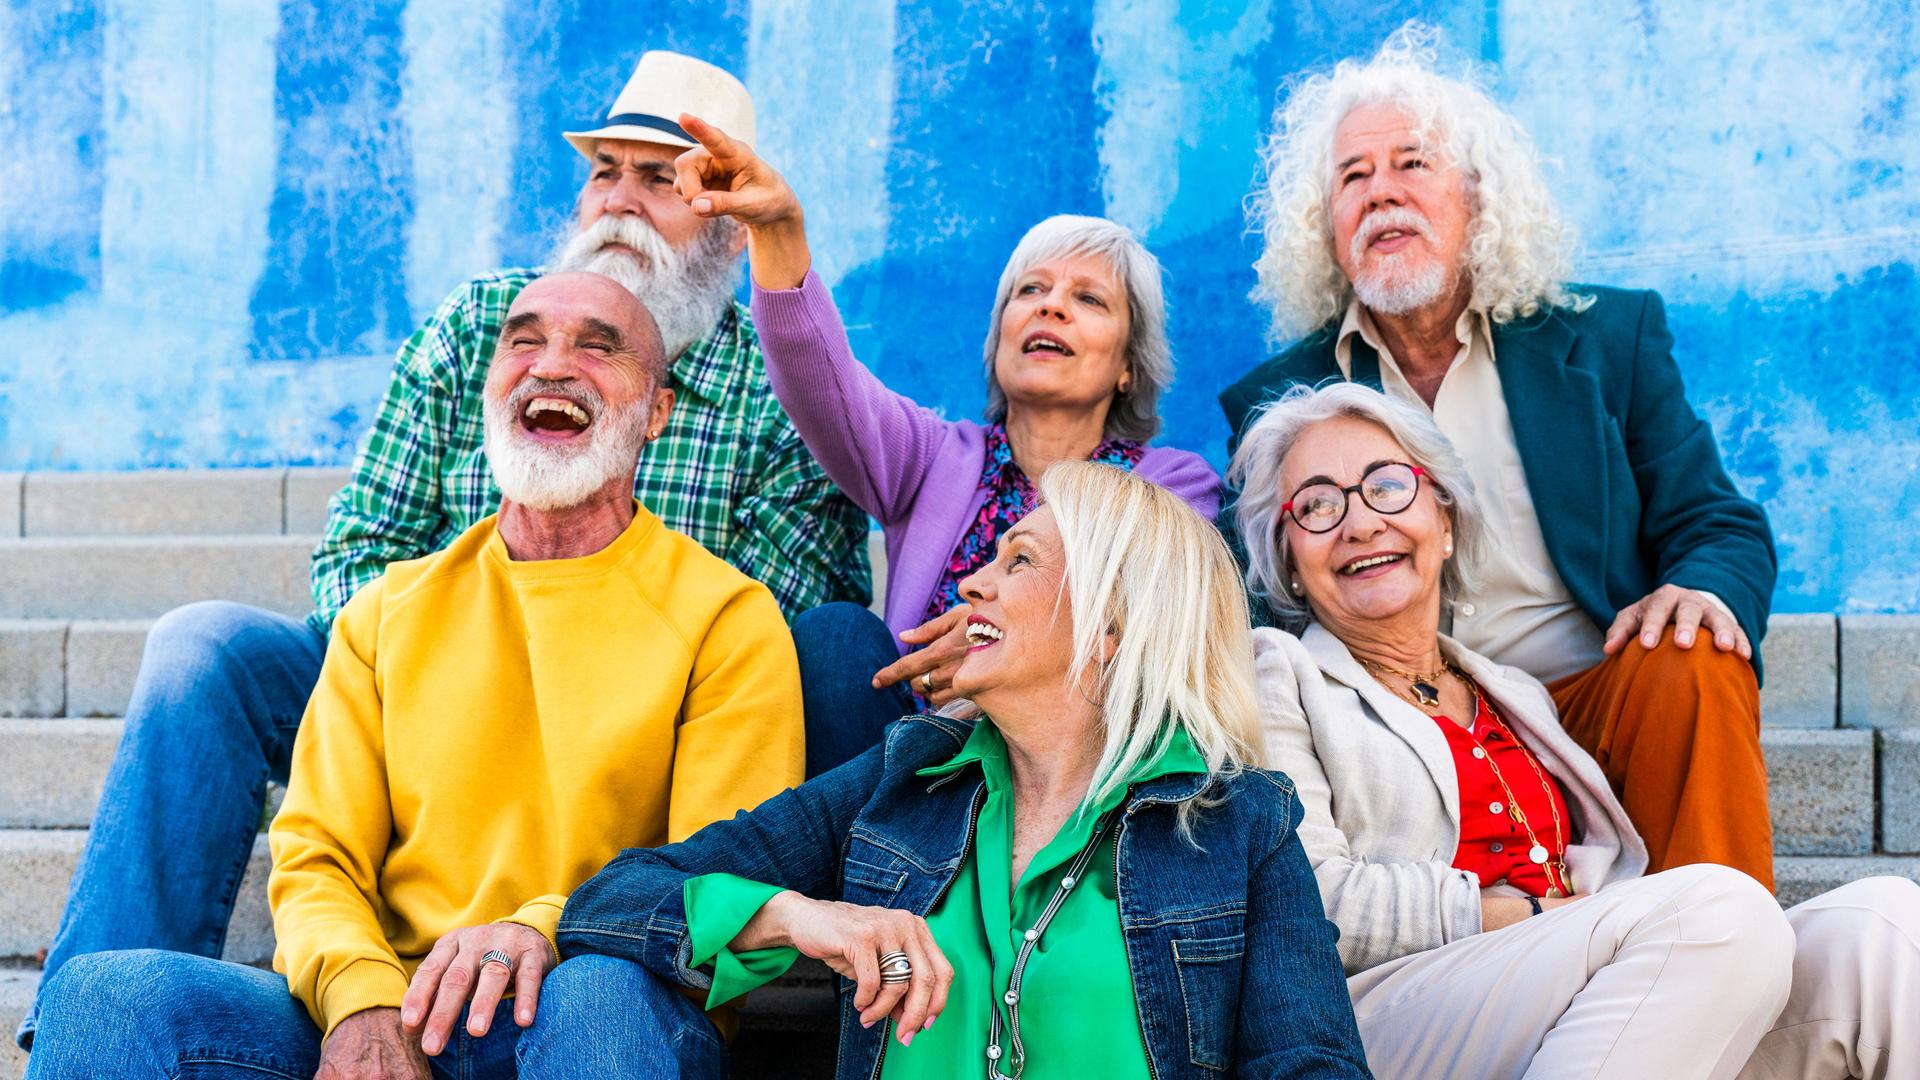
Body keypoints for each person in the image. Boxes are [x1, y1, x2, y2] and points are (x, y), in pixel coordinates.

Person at [18, 50, 870, 1052]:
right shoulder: (477, 325)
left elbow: (778, 638)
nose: (622, 203)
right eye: (607, 171)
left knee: (839, 646)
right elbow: (362, 546)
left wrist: (584, 675)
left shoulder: (777, 397)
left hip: (636, 787)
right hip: (421, 694)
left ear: (727, 220)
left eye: (661, 179)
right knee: (200, 652)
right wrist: (428, 685)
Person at [25, 272, 806, 1080]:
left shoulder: (729, 619)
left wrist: (541, 927)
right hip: (400, 1010)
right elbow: (317, 854)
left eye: (597, 347)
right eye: (524, 340)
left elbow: (725, 872)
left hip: (599, 1004)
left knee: (600, 994)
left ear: (657, 414)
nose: (551, 365)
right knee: (101, 996)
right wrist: (362, 1004)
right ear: (491, 386)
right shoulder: (388, 610)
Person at [550, 462, 1371, 1079]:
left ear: (1117, 623)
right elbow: (606, 905)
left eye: (1018, 562)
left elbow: (1311, 1065)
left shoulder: (1243, 824)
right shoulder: (906, 779)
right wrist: (798, 917)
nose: (973, 583)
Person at [1217, 27, 1777, 886]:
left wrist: (1701, 587)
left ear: (1476, 198)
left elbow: (1717, 521)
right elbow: (1248, 593)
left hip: (1596, 697)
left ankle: (1734, 960)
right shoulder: (1281, 398)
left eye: (1412, 165)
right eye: (1353, 178)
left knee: (1695, 658)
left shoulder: (1606, 341)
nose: (1382, 195)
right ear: (1326, 229)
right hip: (1410, 725)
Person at [1232, 381, 1919, 1079]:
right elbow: (1310, 898)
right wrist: (1519, 913)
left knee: (1883, 924)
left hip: (1564, 996)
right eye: (1316, 504)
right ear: (1288, 557)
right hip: (1390, 1009)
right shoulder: (1278, 676)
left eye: (1388, 486)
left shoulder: (1514, 693)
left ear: (1444, 523)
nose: (1360, 522)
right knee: (1717, 909)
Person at [667, 114, 1221, 774]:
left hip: (1063, 774)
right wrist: (779, 233)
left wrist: (1001, 635)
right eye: (1031, 291)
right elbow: (822, 381)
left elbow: (1148, 632)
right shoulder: (934, 460)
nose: (1050, 308)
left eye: (1089, 300)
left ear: (1128, 364)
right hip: (909, 772)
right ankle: (865, 864)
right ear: (999, 339)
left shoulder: (1172, 486)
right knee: (837, 636)